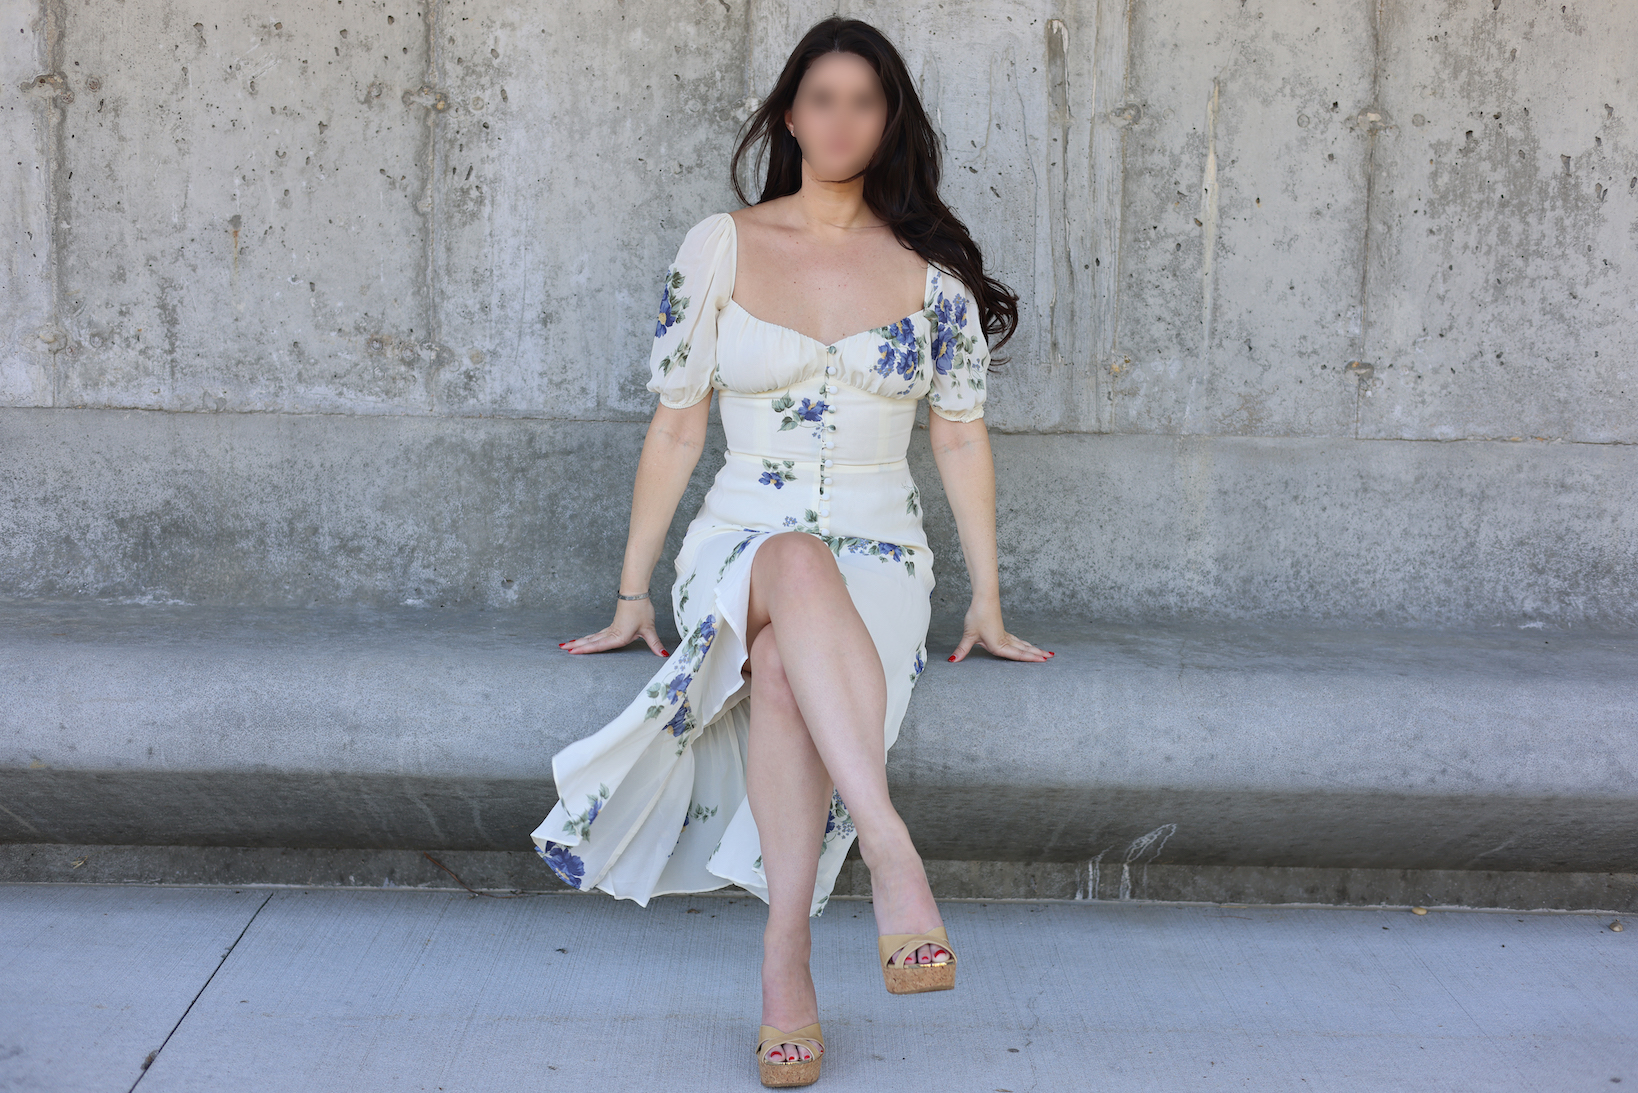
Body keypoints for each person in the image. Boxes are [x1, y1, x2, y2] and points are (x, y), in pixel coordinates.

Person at [530, 16, 1052, 1087]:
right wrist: (635, 593)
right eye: (822, 99)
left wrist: (986, 600)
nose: (842, 121)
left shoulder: (931, 271)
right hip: (741, 544)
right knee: (794, 565)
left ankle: (785, 961)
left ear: (890, 120)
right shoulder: (721, 243)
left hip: (882, 550)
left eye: (866, 101)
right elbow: (678, 424)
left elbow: (957, 433)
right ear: (788, 114)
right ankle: (892, 851)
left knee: (783, 671)